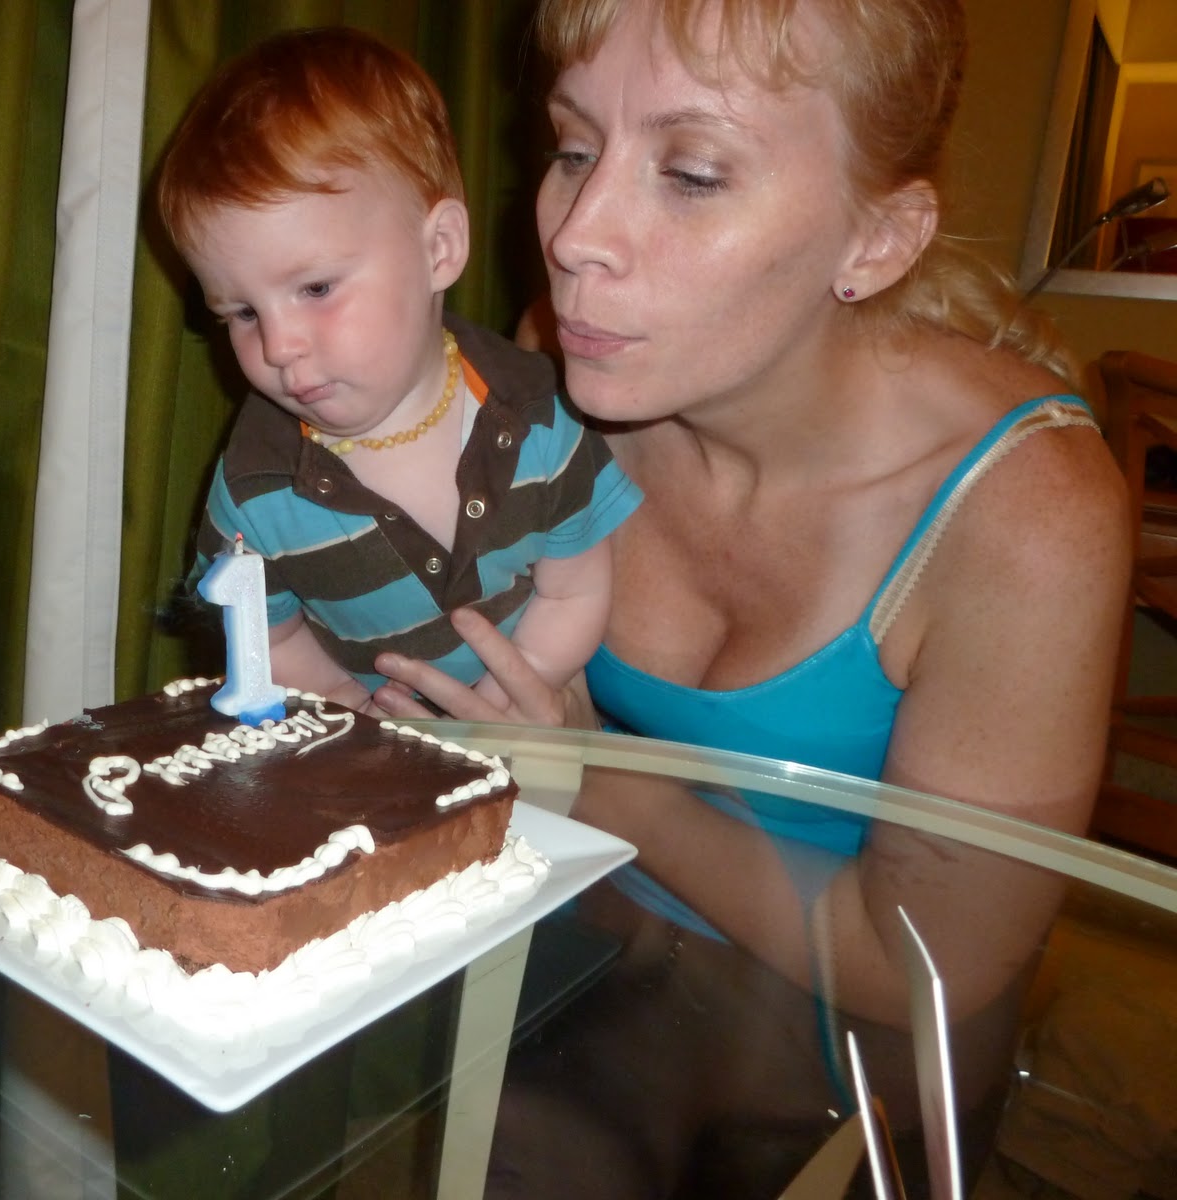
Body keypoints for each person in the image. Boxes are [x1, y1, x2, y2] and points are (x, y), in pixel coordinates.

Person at [371, 0, 1130, 1193]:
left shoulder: (1025, 513)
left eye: (690, 173)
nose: (576, 236)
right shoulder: (561, 373)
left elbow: (917, 967)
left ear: (875, 240)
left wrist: (594, 773)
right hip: (610, 937)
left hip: (858, 1046)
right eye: (574, 148)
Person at [155, 26, 642, 715]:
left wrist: (506, 697)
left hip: (531, 720)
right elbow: (272, 636)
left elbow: (575, 588)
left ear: (439, 249)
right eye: (241, 313)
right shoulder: (254, 491)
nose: (279, 346)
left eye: (316, 288)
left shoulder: (537, 412)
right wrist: (351, 713)